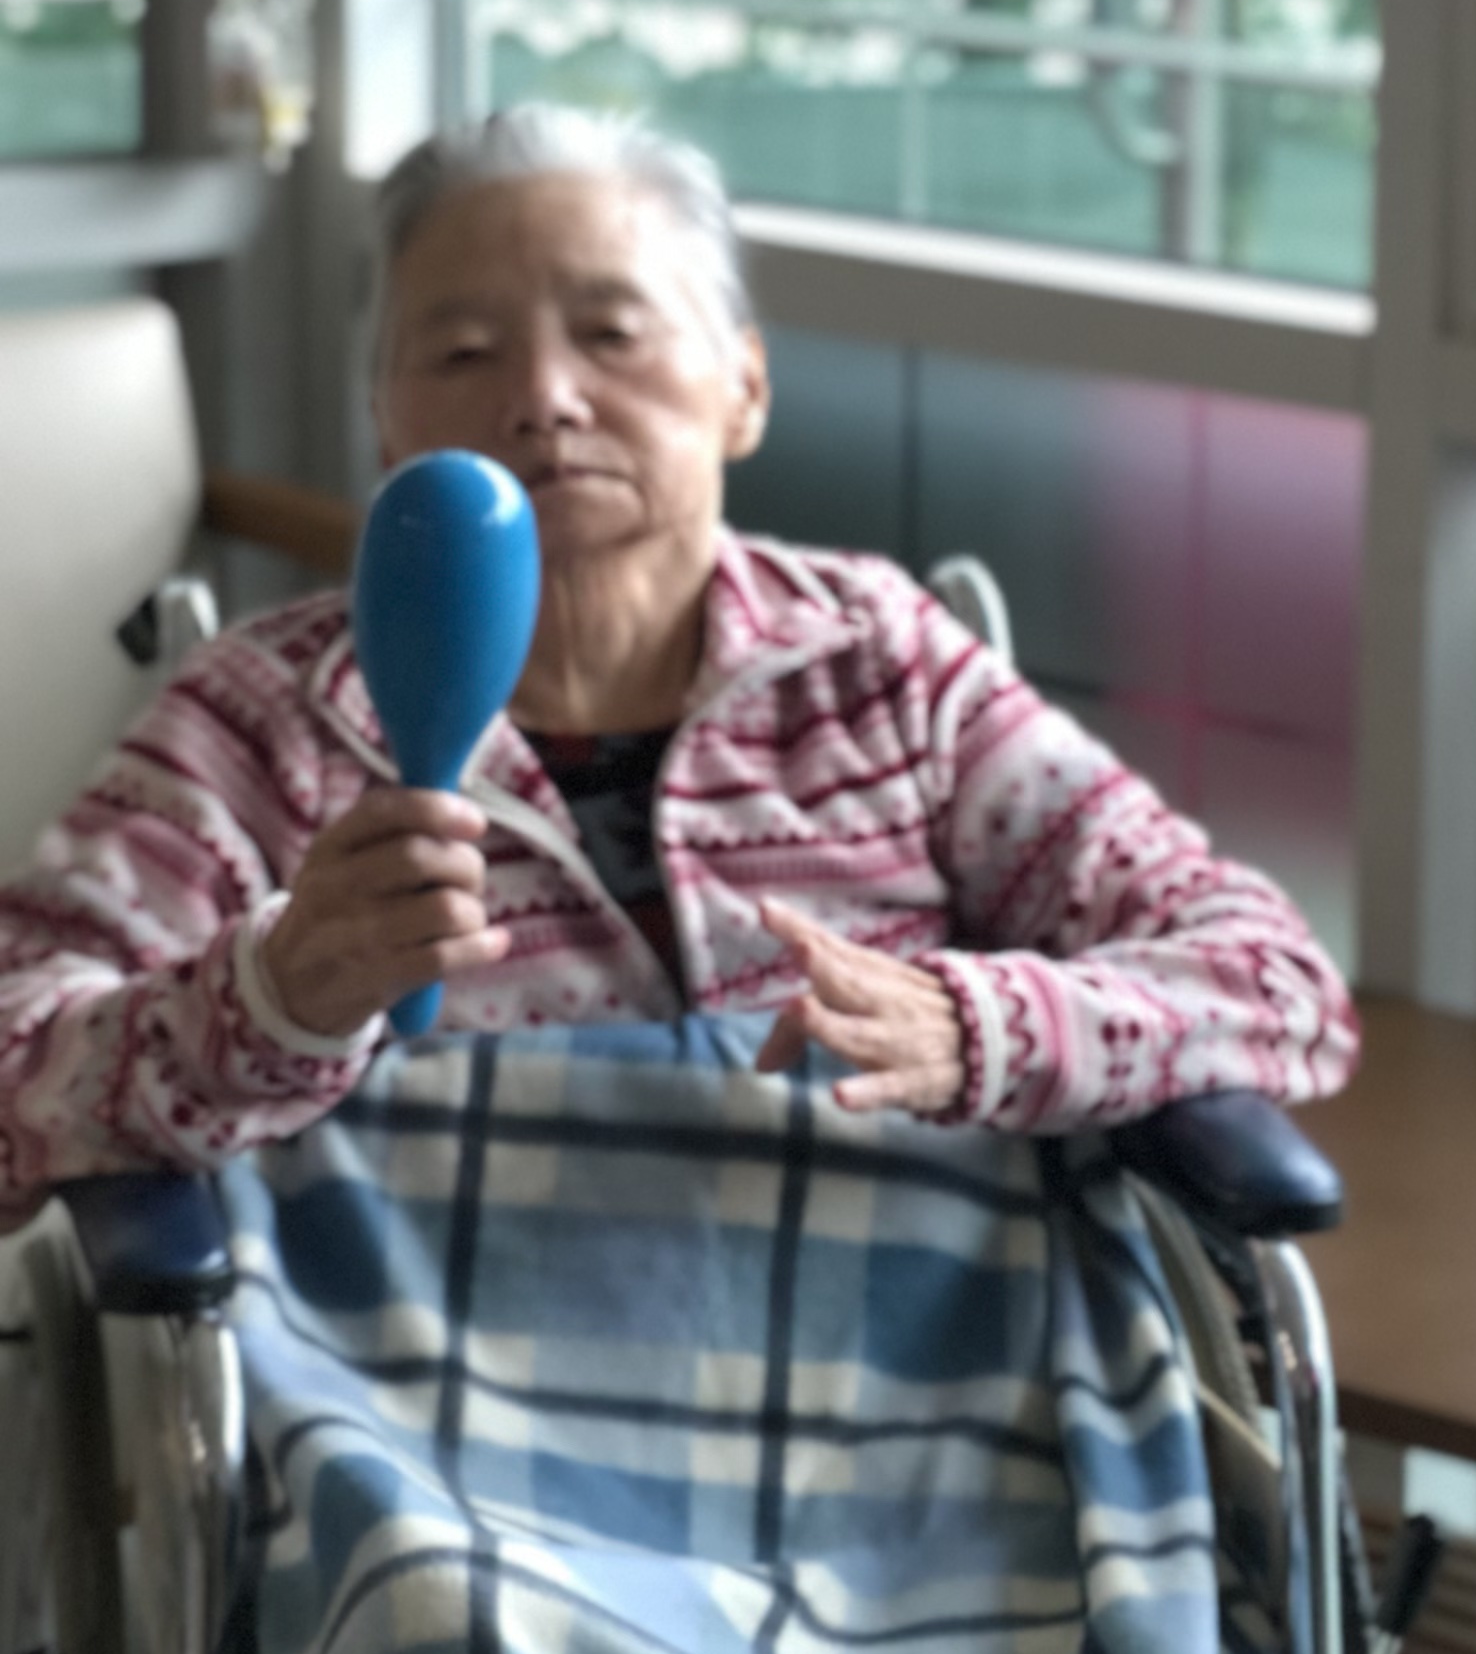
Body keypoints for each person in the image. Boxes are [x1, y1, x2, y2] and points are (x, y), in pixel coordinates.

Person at [0, 103, 1356, 1223]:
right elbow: (17, 1063)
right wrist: (274, 1000)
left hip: (919, 1415)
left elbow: (1280, 984)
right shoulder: (264, 722)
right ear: (384, 422)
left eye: (613, 334)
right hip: (409, 1432)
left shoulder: (885, 671)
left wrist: (981, 1027)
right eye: (463, 351)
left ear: (744, 386)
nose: (545, 397)